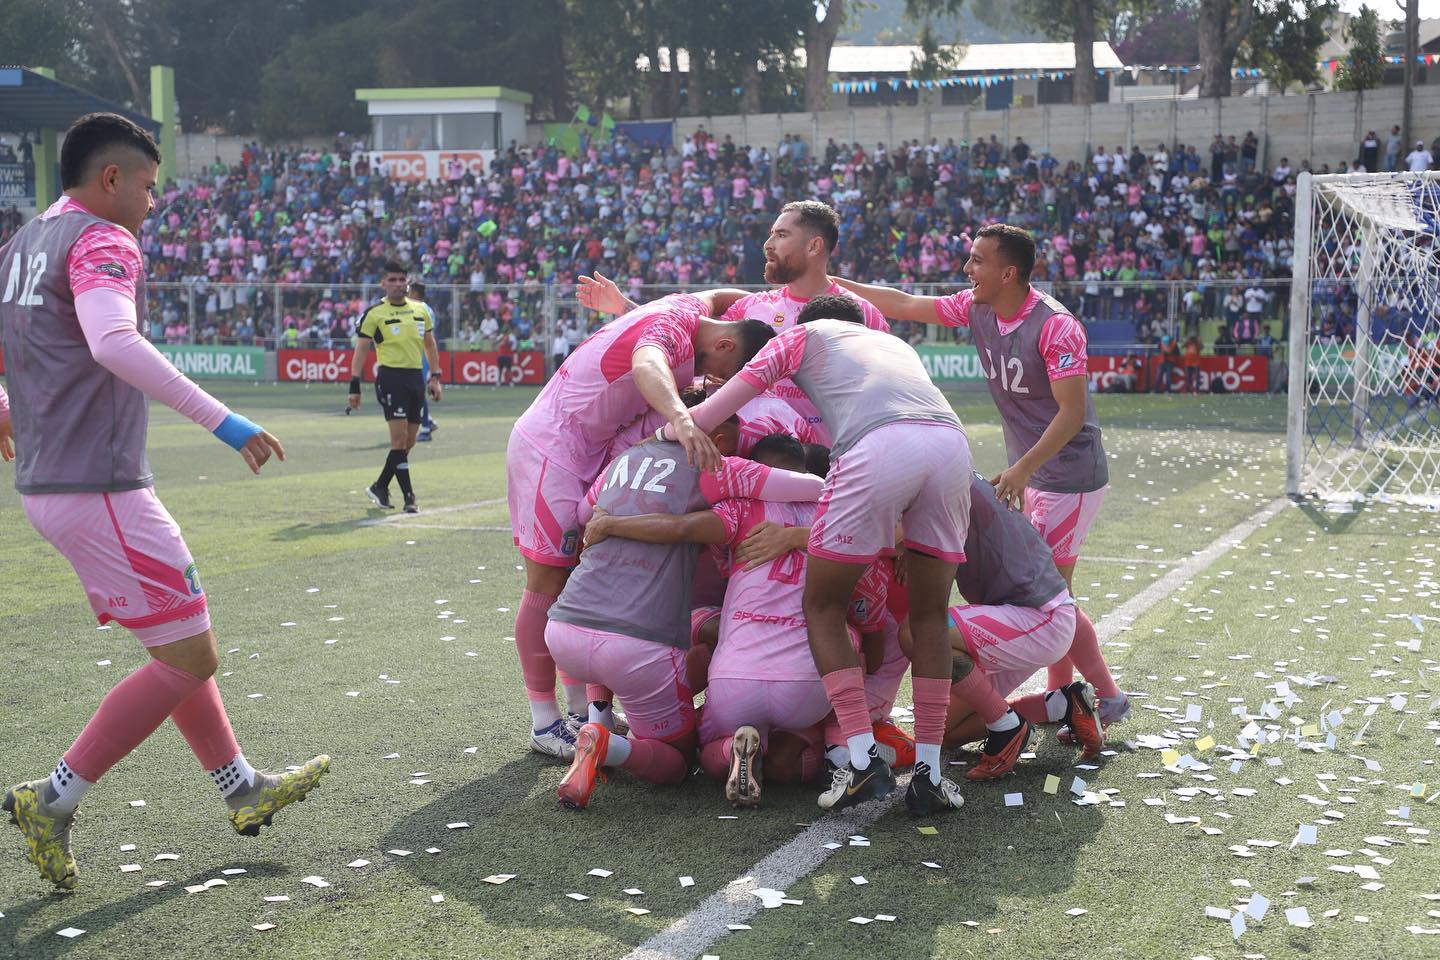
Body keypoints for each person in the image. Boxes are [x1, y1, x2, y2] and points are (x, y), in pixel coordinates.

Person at [0, 113, 328, 891]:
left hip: (57, 486)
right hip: (102, 488)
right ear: (109, 180)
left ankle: (240, 788)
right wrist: (226, 421)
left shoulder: (21, 244)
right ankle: (52, 798)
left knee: (176, 646)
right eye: (147, 187)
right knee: (192, 655)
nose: (152, 204)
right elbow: (113, 342)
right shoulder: (101, 238)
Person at [665, 294, 990, 815]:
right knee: (930, 616)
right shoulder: (892, 345)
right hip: (950, 446)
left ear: (807, 325)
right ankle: (930, 773)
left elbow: (715, 410)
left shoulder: (804, 336)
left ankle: (861, 759)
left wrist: (667, 431)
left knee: (823, 606)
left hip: (877, 445)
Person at [506, 291, 775, 760]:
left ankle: (580, 715)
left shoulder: (688, 311)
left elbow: (721, 295)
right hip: (553, 448)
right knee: (546, 581)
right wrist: (681, 420)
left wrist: (773, 302)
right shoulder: (672, 332)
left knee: (572, 571)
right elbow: (648, 362)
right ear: (729, 346)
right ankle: (543, 721)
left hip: (582, 450)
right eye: (726, 375)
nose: (715, 384)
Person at [579, 434, 880, 808]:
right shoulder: (833, 514)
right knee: (849, 641)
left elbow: (681, 528)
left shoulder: (740, 508)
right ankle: (838, 750)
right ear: (802, 472)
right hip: (807, 686)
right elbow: (885, 538)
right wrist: (799, 538)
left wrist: (612, 525)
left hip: (735, 681)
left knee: (704, 755)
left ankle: (730, 750)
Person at [834, 223, 1110, 596]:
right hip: (1031, 472)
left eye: (977, 261)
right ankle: (1088, 659)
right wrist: (831, 283)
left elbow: (1072, 412)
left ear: (1008, 274)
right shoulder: (975, 307)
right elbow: (904, 304)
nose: (966, 269)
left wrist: (1023, 469)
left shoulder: (1056, 327)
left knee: (1049, 595)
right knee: (1048, 594)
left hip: (1068, 475)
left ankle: (1085, 659)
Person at [577, 201, 888, 443]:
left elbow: (884, 388)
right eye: (771, 234)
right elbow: (682, 336)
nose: (768, 244)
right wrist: (626, 307)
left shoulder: (861, 313)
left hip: (833, 461)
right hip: (758, 463)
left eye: (781, 235)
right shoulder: (752, 308)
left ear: (814, 246)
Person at [943, 474, 1124, 771]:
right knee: (945, 733)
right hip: (1013, 622)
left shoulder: (941, 485)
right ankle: (1062, 703)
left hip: (1037, 621)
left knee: (921, 633)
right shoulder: (950, 477)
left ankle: (1011, 728)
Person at [347, 262, 441, 513]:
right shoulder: (375, 314)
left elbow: (430, 345)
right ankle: (409, 497)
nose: (399, 284)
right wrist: (354, 386)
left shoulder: (421, 311)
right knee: (398, 440)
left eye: (402, 279)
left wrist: (435, 377)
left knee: (408, 443)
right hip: (390, 379)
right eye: (393, 280)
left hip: (415, 380)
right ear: (384, 284)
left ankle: (380, 485)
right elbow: (361, 350)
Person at [407, 280, 439, 440]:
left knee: (417, 392)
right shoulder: (428, 309)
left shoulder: (419, 309)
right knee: (415, 391)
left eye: (408, 290)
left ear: (414, 293)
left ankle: (425, 428)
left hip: (420, 356)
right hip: (421, 354)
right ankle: (429, 421)